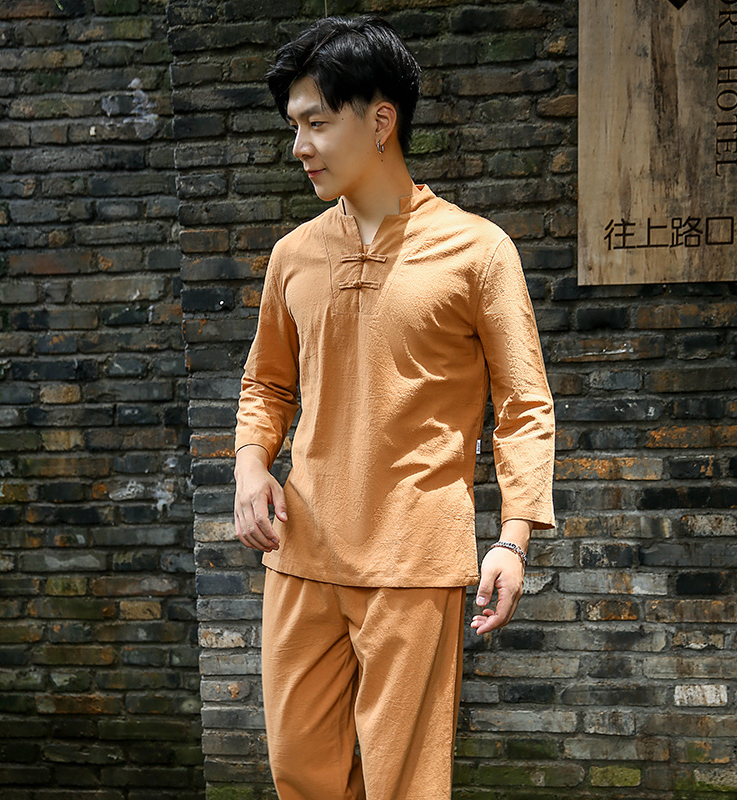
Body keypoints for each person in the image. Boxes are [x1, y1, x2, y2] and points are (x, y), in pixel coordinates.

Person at [232, 15, 555, 800]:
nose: (299, 145)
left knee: (404, 782)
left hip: (414, 556)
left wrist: (512, 539)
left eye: (315, 123)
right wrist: (249, 466)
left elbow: (524, 405)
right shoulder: (293, 255)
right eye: (294, 127)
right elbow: (266, 385)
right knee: (299, 769)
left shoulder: (478, 251)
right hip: (303, 548)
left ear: (381, 121)